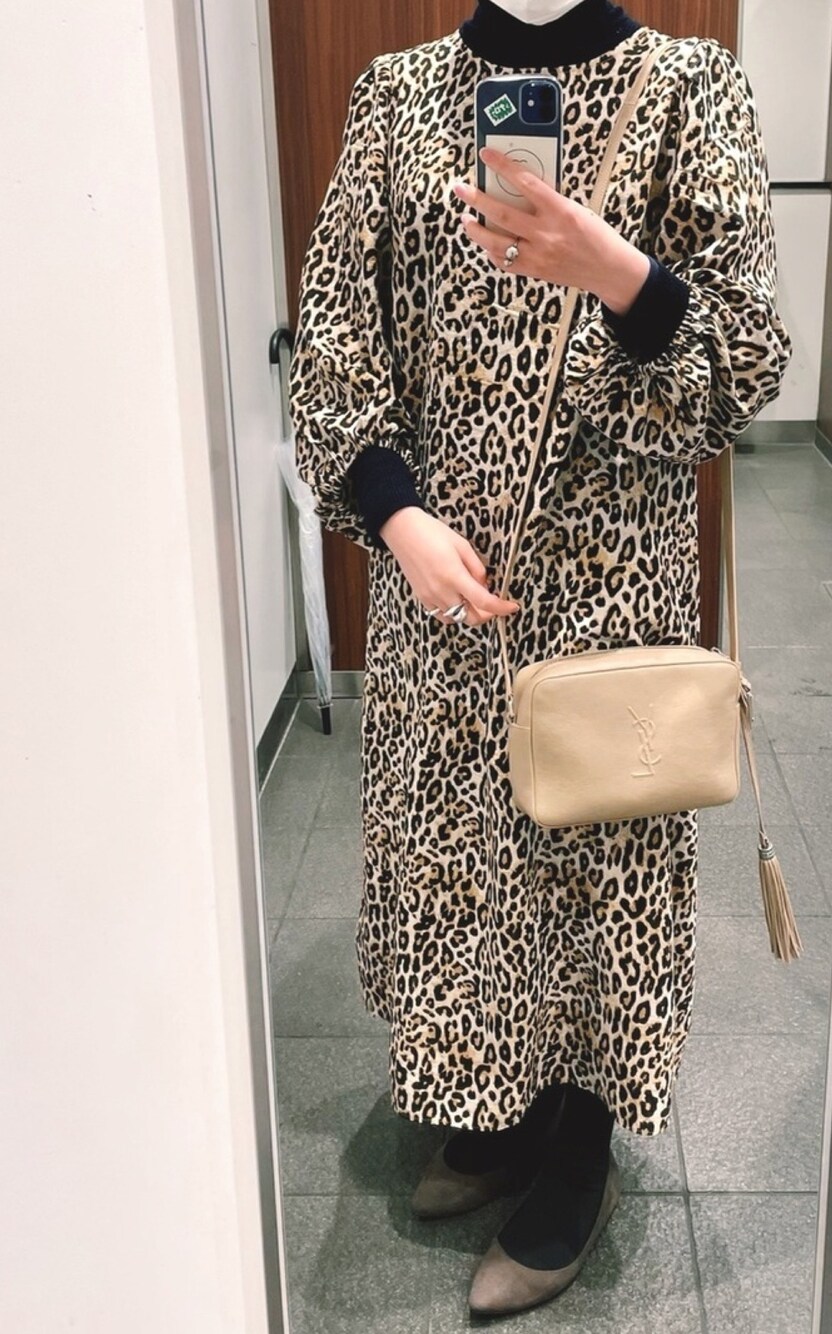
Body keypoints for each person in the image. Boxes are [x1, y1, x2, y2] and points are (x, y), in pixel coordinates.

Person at [288, 0, 791, 1315]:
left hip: (614, 589)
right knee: (464, 865)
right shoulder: (397, 95)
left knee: (595, 865)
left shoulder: (690, 89)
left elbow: (745, 362)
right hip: (443, 588)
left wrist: (614, 271)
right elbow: (335, 341)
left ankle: (579, 1144)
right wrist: (394, 513)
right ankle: (499, 1103)